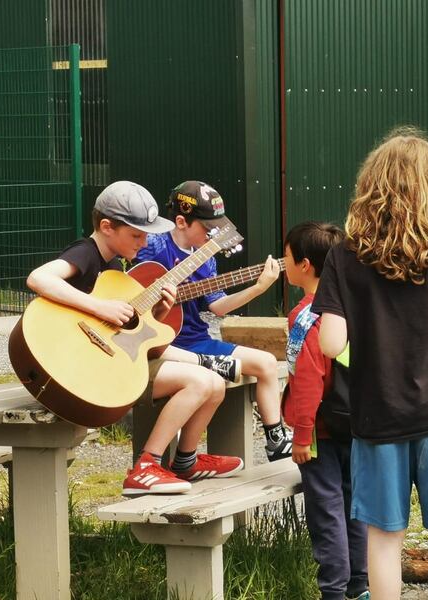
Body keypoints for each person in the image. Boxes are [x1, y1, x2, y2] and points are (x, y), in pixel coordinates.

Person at [313, 128, 428, 600]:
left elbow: (331, 343)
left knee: (385, 537)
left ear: (371, 186)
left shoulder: (344, 257)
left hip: (379, 415)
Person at [26, 180, 244, 495]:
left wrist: (159, 312)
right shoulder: (85, 253)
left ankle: (186, 460)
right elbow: (38, 278)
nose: (144, 242)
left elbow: (129, 331)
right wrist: (99, 306)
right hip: (79, 368)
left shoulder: (115, 266)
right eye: (136, 235)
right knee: (199, 383)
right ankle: (146, 467)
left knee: (214, 383)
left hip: (107, 360)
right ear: (106, 227)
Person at [136, 180, 292, 461]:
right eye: (208, 228)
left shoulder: (206, 257)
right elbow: (134, 285)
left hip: (197, 339)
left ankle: (276, 440)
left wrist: (258, 288)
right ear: (181, 222)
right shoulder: (153, 246)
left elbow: (218, 307)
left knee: (267, 363)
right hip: (164, 343)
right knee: (215, 380)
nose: (215, 235)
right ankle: (179, 458)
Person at [281, 220, 369, 600]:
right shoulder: (354, 306)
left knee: (326, 511)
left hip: (320, 431)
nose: (283, 263)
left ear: (304, 265)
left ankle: (332, 591)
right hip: (358, 423)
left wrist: (302, 435)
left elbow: (307, 380)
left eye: (286, 256)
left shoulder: (306, 316)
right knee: (355, 506)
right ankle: (359, 585)